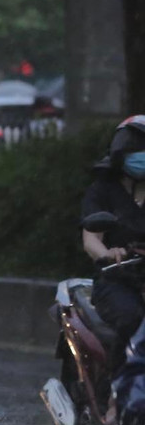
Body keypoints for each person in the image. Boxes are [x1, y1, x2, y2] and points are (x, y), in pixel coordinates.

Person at [84, 116, 145, 357]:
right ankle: (118, 386)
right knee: (131, 319)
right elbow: (91, 240)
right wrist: (108, 254)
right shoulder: (103, 189)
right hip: (116, 280)